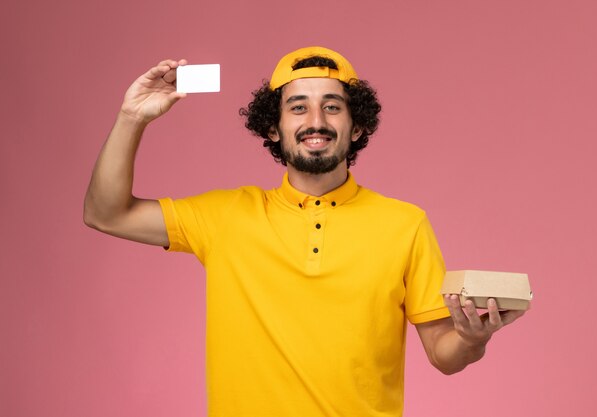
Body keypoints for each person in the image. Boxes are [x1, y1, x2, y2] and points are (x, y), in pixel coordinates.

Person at [84, 46, 526, 417]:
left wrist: (471, 339)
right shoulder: (224, 216)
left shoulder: (405, 223)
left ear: (358, 128)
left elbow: (443, 355)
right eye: (298, 107)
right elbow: (106, 213)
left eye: (332, 106)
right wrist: (131, 117)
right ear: (273, 129)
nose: (316, 120)